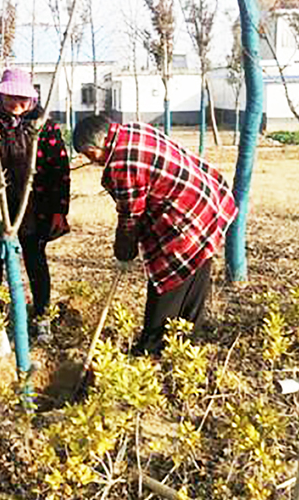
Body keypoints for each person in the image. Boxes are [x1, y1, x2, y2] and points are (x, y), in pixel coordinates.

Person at [72, 115, 238, 356]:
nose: (91, 161)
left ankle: (151, 352)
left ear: (94, 147)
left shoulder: (122, 162)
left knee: (166, 284)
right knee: (195, 275)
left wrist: (124, 251)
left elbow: (130, 217)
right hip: (207, 204)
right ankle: (188, 345)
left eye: (89, 156)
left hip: (186, 218)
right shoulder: (132, 130)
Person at [0, 68, 70, 342]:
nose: (17, 106)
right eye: (11, 99)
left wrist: (60, 209)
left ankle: (42, 316)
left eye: (23, 100)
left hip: (34, 205)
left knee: (35, 262)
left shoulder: (44, 125)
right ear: (1, 94)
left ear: (32, 99)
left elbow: (60, 169)